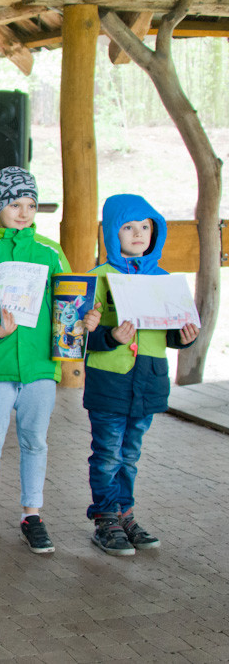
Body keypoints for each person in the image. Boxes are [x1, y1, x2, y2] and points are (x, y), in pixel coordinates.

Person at [0, 167, 100, 556]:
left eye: (31, 204)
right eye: (15, 204)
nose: (24, 212)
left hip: (39, 369)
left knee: (35, 441)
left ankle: (33, 514)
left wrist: (87, 318)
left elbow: (72, 303)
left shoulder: (50, 252)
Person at [83, 194, 198, 555]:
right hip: (109, 382)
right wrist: (107, 336)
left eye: (145, 227)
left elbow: (169, 333)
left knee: (130, 455)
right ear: (112, 233)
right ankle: (105, 519)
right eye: (128, 227)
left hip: (148, 381)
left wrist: (182, 337)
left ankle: (124, 514)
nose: (137, 233)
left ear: (155, 231)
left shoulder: (165, 282)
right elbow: (73, 337)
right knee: (106, 455)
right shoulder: (96, 279)